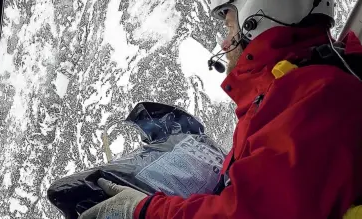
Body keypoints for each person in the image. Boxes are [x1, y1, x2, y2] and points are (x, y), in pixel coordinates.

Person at [79, 0, 362, 218]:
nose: (224, 43)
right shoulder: (295, 84)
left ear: (257, 19)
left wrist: (142, 211)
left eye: (229, 28)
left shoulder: (316, 99)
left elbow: (250, 213)